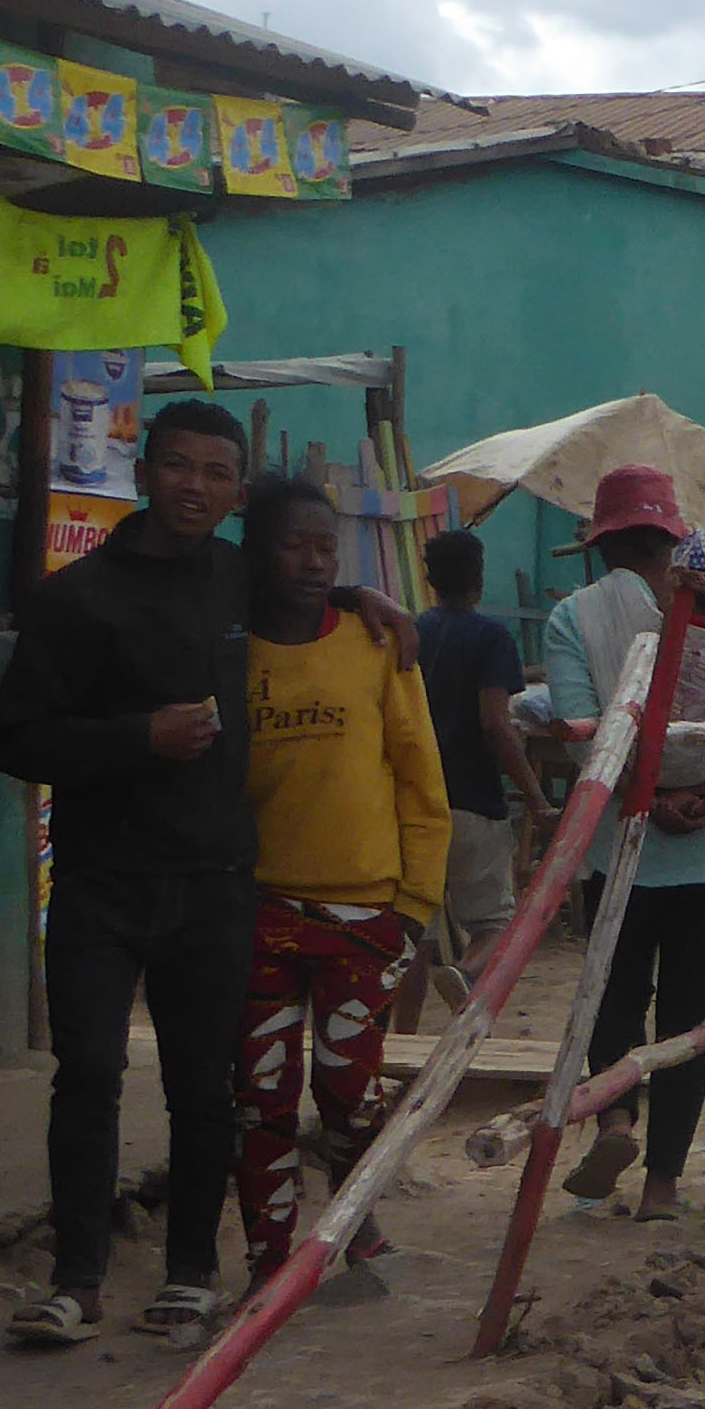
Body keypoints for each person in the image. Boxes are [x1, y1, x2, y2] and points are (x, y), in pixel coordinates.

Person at [0, 398, 402, 1348]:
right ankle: (76, 1279)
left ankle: (188, 1272)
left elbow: (304, 592)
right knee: (86, 1072)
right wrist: (141, 737)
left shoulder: (233, 576)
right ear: (144, 473)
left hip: (215, 883)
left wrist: (360, 600)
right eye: (179, 467)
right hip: (102, 881)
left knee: (203, 1086)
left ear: (236, 490)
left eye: (217, 475)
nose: (196, 488)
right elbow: (12, 740)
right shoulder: (75, 598)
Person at [229, 477, 450, 1294]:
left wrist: (412, 906)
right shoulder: (227, 649)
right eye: (296, 544)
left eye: (329, 547)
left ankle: (352, 1226)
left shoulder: (375, 645)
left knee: (349, 1091)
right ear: (257, 549)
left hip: (365, 916)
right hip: (258, 912)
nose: (316, 561)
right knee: (261, 1096)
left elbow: (421, 782)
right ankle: (269, 1262)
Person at [547, 519, 705, 1216]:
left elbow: (582, 733)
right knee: (690, 1014)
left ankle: (615, 1121)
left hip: (622, 841)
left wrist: (647, 798)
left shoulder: (572, 617)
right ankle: (662, 1187)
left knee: (612, 996)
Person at [403, 525, 540, 1024]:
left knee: (416, 932)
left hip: (415, 799)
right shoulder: (492, 638)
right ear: (478, 580)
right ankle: (466, 970)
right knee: (498, 925)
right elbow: (495, 725)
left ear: (430, 578)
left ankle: (404, 1041)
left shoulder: (411, 633)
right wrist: (536, 796)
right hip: (474, 801)